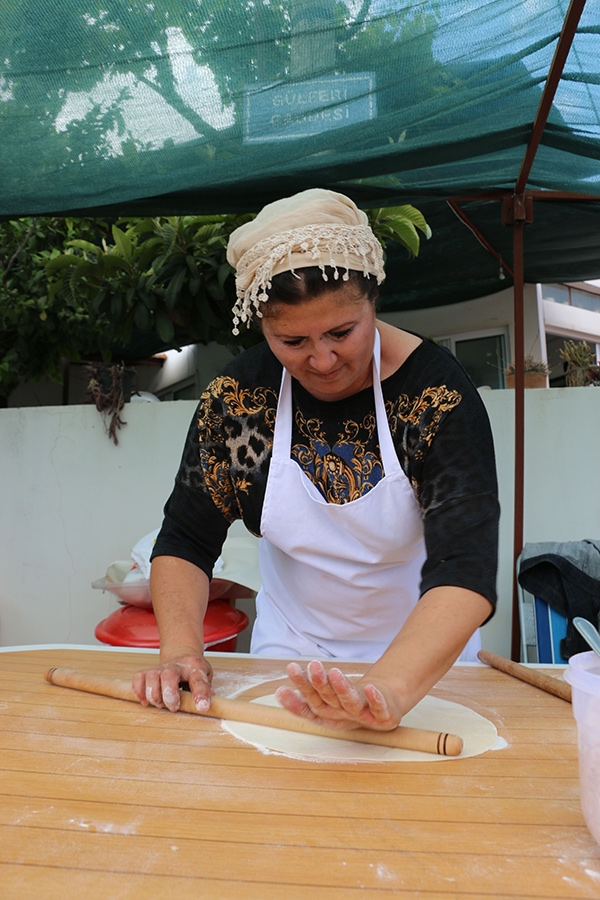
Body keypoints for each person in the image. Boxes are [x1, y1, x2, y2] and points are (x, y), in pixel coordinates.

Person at [133, 188, 499, 732]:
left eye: (342, 332)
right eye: (292, 340)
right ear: (262, 327)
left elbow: (465, 566)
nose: (323, 360)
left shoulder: (435, 395)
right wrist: (180, 650)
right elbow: (187, 539)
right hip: (289, 658)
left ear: (372, 298)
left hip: (424, 667)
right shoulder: (239, 402)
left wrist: (388, 691)